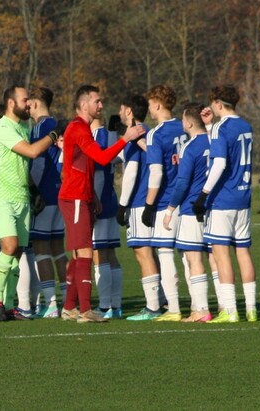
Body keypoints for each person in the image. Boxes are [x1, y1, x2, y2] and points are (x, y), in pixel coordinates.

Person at [58, 85, 143, 323]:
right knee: (85, 251)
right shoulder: (78, 128)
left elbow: (82, 166)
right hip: (74, 198)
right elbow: (103, 158)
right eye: (97, 101)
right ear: (84, 105)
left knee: (78, 254)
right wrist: (126, 138)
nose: (101, 105)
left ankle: (69, 307)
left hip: (81, 196)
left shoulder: (81, 128)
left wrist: (92, 195)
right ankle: (85, 310)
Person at [0, 85, 55, 321]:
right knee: (9, 246)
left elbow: (22, 164)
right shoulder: (2, 127)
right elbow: (32, 152)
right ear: (11, 103)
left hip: (21, 196)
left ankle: (8, 305)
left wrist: (34, 190)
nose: (29, 104)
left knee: (18, 253)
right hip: (2, 195)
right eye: (25, 100)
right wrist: (53, 135)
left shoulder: (24, 127)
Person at [192, 85, 258, 323]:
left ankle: (230, 311)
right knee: (243, 252)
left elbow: (219, 163)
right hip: (243, 197)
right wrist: (210, 126)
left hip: (223, 198)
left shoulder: (222, 127)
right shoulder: (246, 126)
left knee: (221, 254)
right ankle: (251, 309)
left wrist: (203, 194)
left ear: (219, 104)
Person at [135, 85, 187, 322]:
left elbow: (156, 173)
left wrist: (148, 206)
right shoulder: (185, 126)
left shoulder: (156, 133)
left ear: (157, 104)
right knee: (190, 255)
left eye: (150, 104)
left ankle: (174, 308)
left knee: (165, 254)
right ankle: (199, 307)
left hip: (166, 202)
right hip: (188, 200)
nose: (149, 109)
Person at [162, 103, 213, 322]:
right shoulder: (213, 140)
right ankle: (224, 307)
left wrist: (170, 208)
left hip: (192, 207)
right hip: (212, 207)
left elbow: (182, 182)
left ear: (189, 123)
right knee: (214, 258)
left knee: (193, 258)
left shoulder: (190, 147)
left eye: (183, 119)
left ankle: (201, 309)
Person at [115, 94, 162, 320]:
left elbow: (131, 171)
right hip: (152, 201)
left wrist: (122, 205)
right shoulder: (149, 132)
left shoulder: (135, 134)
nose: (119, 112)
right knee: (151, 252)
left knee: (142, 252)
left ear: (129, 111)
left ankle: (152, 307)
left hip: (138, 201)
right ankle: (161, 300)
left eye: (122, 108)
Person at [25, 87, 68, 319]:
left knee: (41, 250)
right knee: (58, 250)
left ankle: (51, 304)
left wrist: (35, 191)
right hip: (58, 193)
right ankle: (68, 301)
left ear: (34, 103)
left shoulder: (41, 127)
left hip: (44, 196)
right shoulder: (56, 124)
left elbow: (38, 163)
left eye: (28, 102)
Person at [90, 117, 124, 319]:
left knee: (100, 253)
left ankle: (104, 307)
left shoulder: (97, 136)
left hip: (100, 201)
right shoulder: (110, 135)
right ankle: (116, 305)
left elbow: (97, 173)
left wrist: (93, 202)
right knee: (110, 254)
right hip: (110, 198)